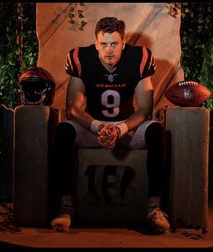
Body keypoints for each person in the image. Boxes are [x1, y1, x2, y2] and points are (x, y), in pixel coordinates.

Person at [50, 16, 170, 234]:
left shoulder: (140, 57)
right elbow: (73, 109)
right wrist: (98, 127)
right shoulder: (80, 57)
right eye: (103, 44)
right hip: (92, 126)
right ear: (96, 44)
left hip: (126, 127)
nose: (109, 50)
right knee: (64, 129)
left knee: (156, 130)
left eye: (114, 44)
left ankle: (154, 207)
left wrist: (120, 129)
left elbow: (144, 108)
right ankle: (65, 206)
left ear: (123, 44)